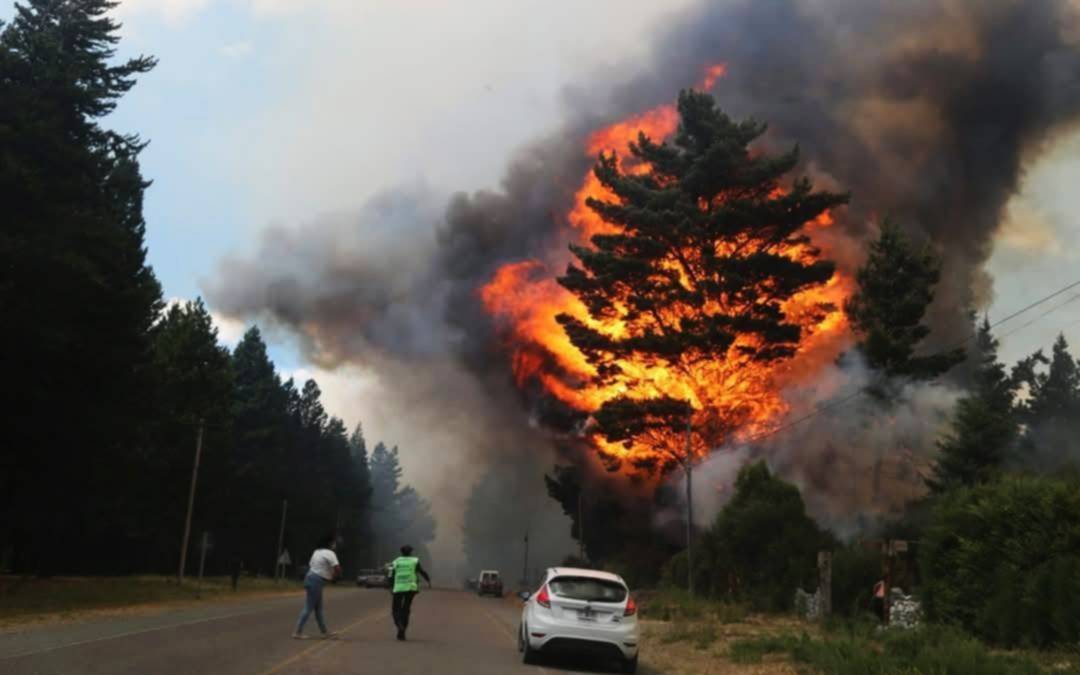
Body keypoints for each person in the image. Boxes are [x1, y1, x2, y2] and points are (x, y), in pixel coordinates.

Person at [293, 535, 342, 639]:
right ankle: (297, 632)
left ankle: (324, 632)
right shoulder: (330, 553)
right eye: (333, 543)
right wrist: (335, 578)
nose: (335, 545)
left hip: (310, 578)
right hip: (316, 580)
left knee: (318, 609)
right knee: (308, 607)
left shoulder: (317, 552)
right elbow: (337, 568)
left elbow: (312, 565)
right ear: (329, 543)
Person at [388, 545, 431, 641]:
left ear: (401, 552)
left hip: (398, 587)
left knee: (396, 609)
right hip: (411, 588)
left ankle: (399, 625)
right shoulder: (414, 561)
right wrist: (428, 580)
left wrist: (390, 586)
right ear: (411, 552)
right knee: (406, 609)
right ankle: (402, 632)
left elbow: (390, 574)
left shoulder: (396, 561)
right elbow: (421, 571)